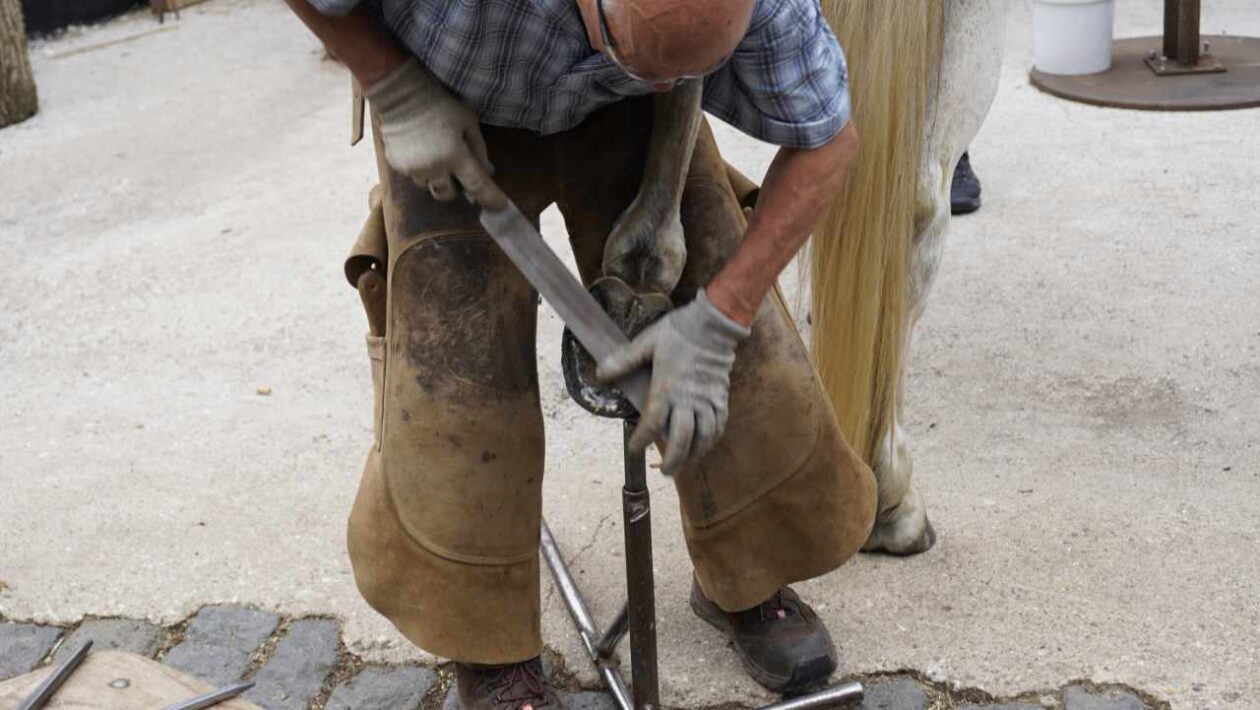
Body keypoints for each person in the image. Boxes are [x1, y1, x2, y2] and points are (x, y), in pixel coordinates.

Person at [282, 0, 877, 707]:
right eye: (650, 62)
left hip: (632, 113)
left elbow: (829, 139)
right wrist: (392, 86)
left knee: (734, 340)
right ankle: (490, 646)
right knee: (457, 381)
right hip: (439, 85)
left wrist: (722, 317)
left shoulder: (763, 12)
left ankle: (748, 572)